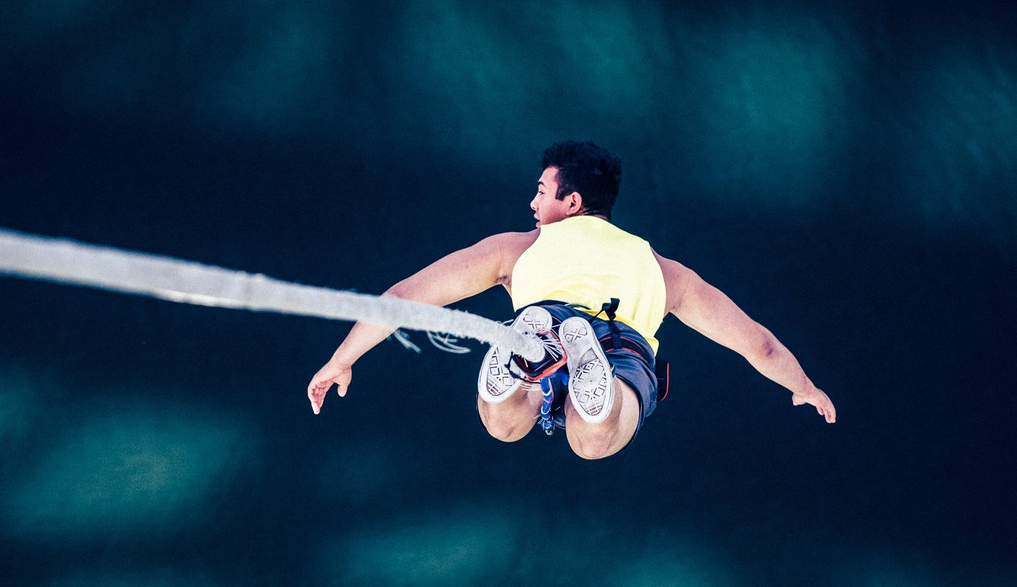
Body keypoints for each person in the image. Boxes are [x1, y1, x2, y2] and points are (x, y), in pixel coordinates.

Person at [307, 141, 835, 460]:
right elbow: (759, 346)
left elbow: (404, 298)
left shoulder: (518, 249)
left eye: (541, 191)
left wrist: (341, 360)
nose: (533, 202)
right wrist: (803, 387)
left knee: (503, 427)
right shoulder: (665, 272)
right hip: (623, 347)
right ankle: (593, 386)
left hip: (545, 328)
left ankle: (519, 361)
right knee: (595, 442)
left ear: (572, 202)